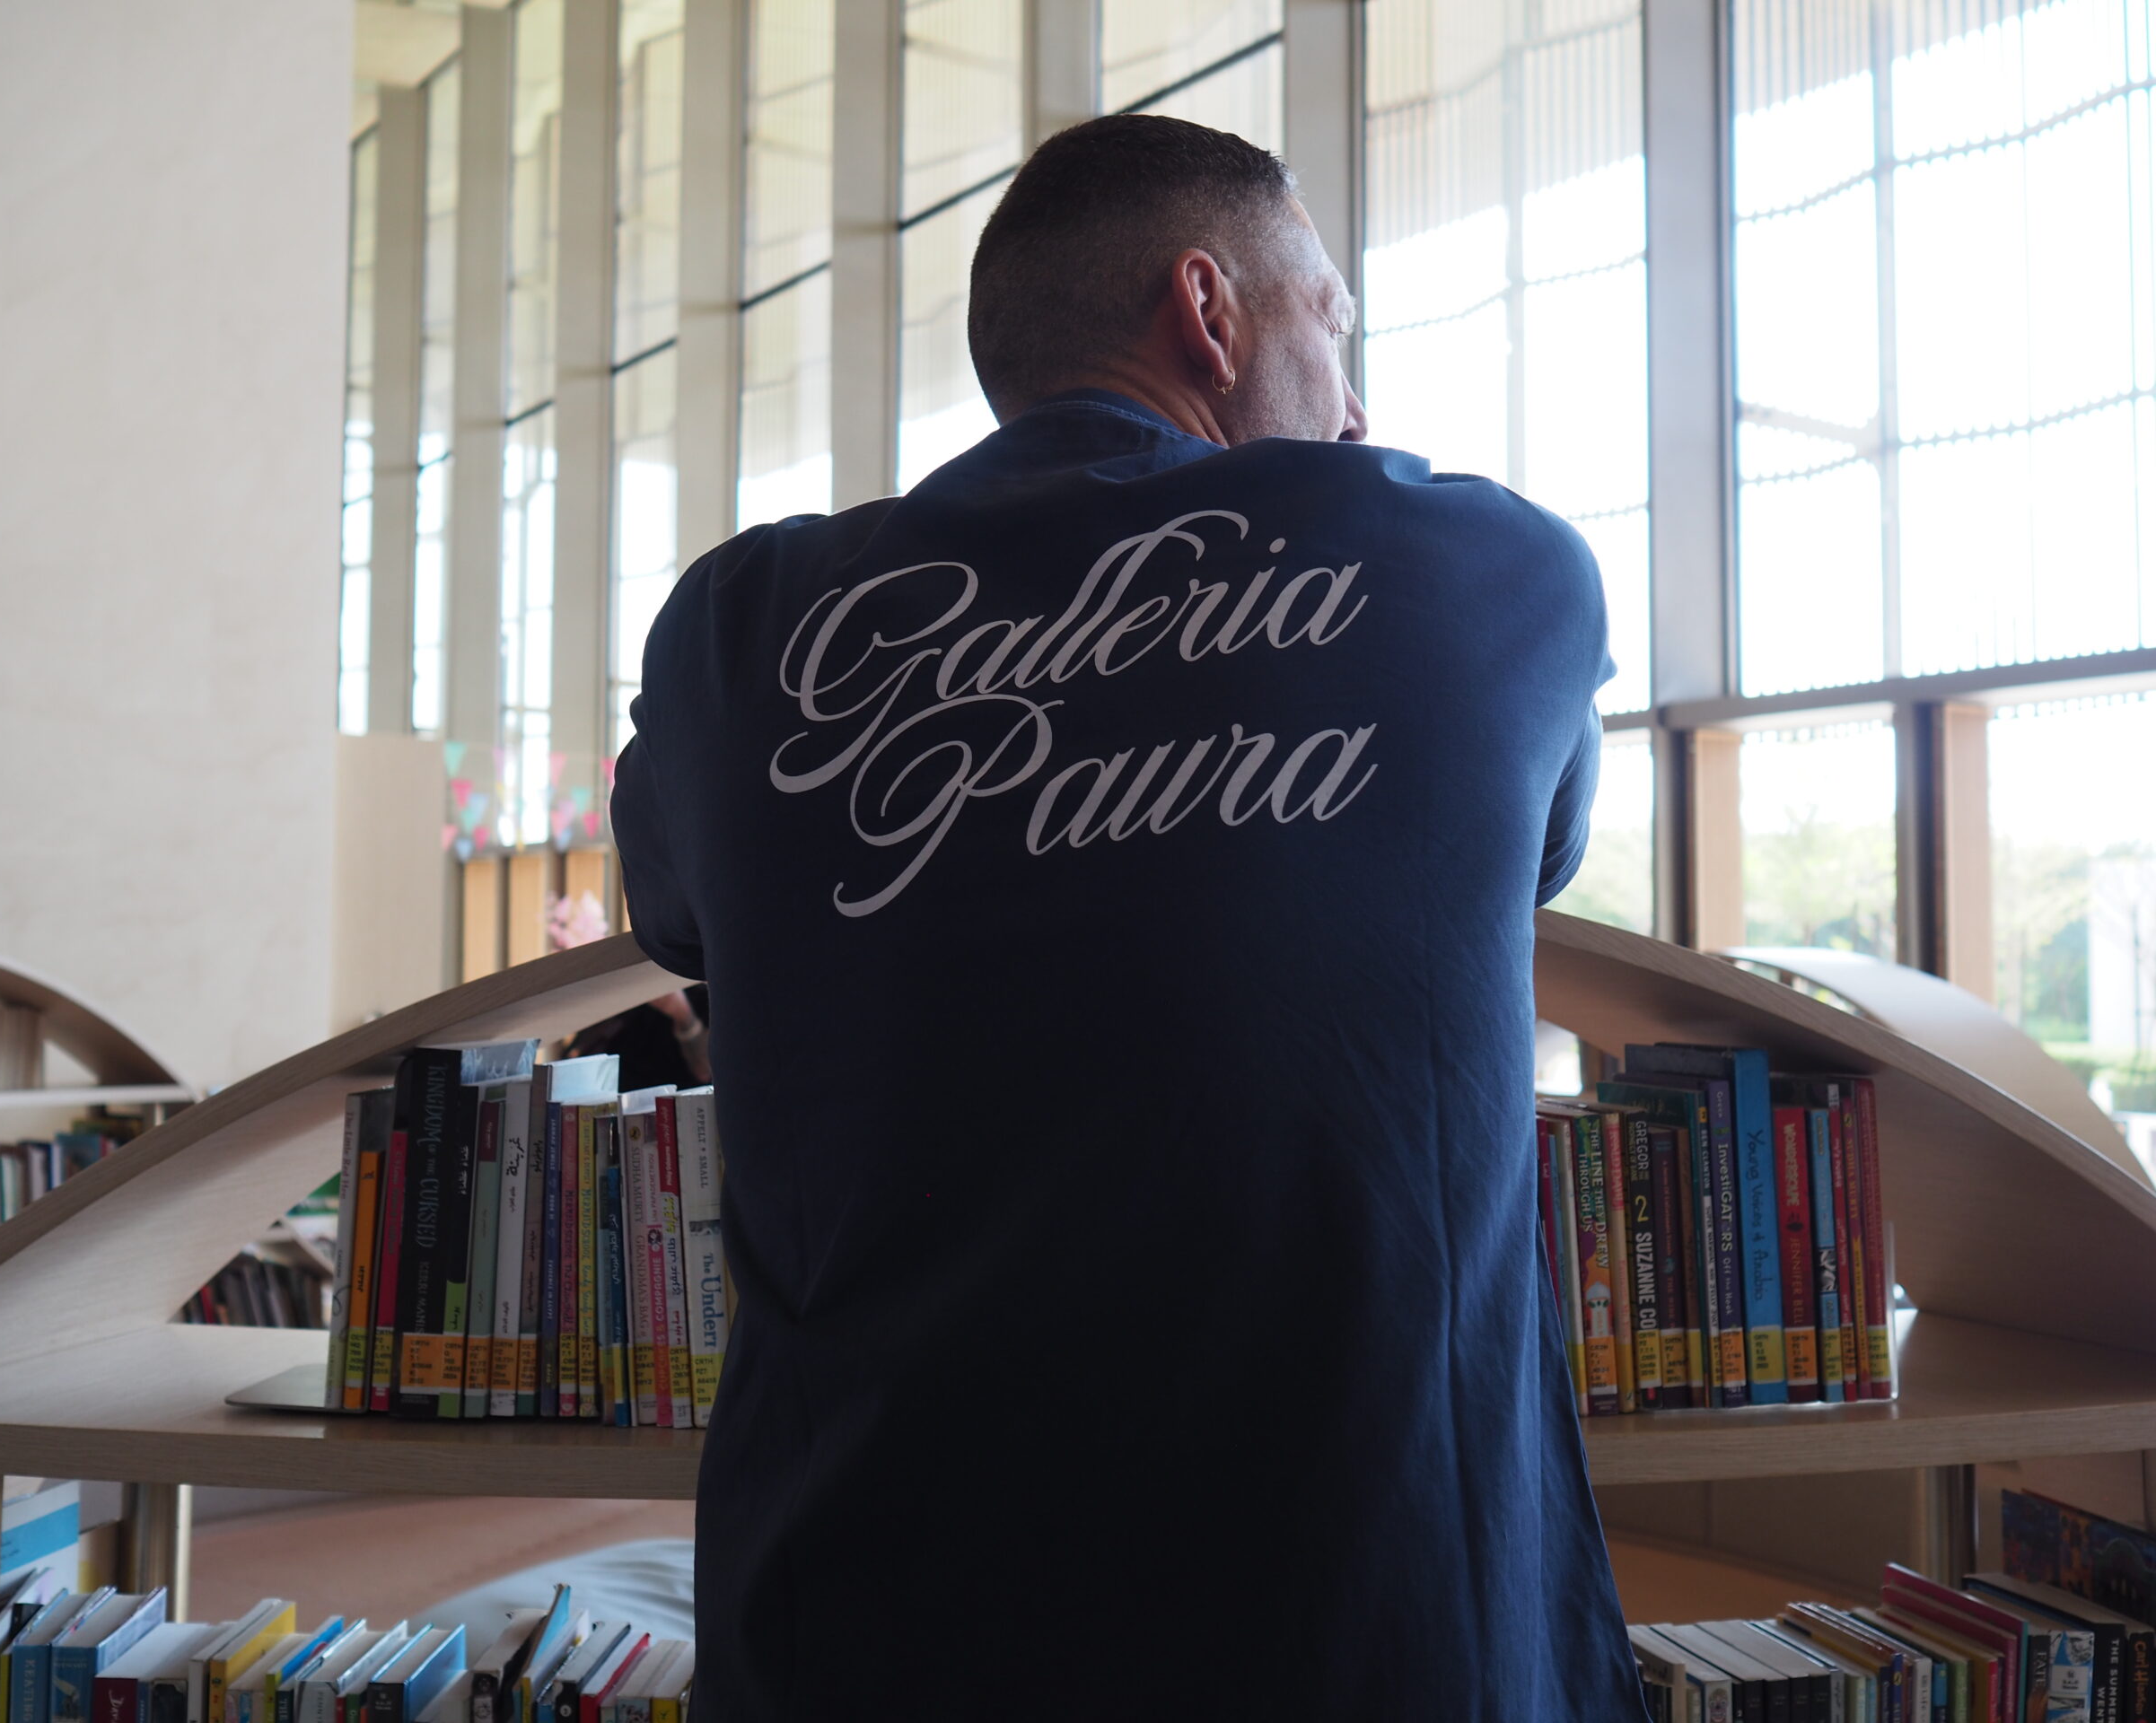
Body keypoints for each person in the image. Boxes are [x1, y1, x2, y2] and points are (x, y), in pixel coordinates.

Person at [611, 114, 1641, 1720]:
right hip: (1382, 1638)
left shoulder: (737, 638)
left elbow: (675, 913)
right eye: (1330, 324)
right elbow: (1536, 853)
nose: (1355, 404)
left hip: (866, 1636)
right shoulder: (1484, 574)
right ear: (1208, 311)